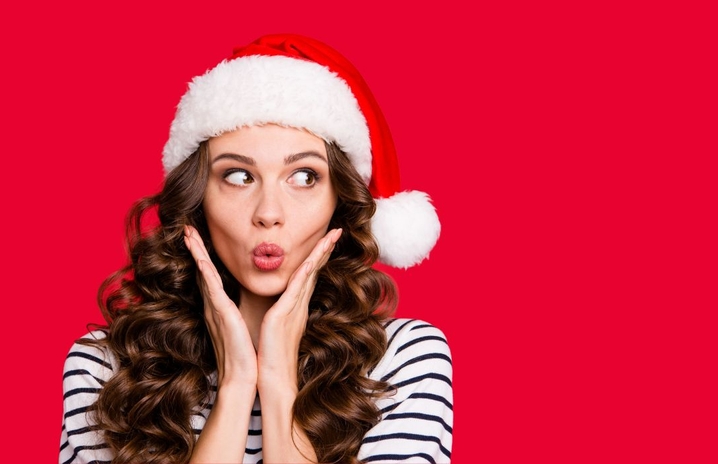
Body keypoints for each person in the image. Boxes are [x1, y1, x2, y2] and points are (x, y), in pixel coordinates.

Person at [59, 34, 449, 464]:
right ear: (197, 198)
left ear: (340, 201)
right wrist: (235, 387)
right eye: (238, 177)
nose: (268, 213)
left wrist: (279, 383)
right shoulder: (107, 365)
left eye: (304, 177)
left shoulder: (401, 359)